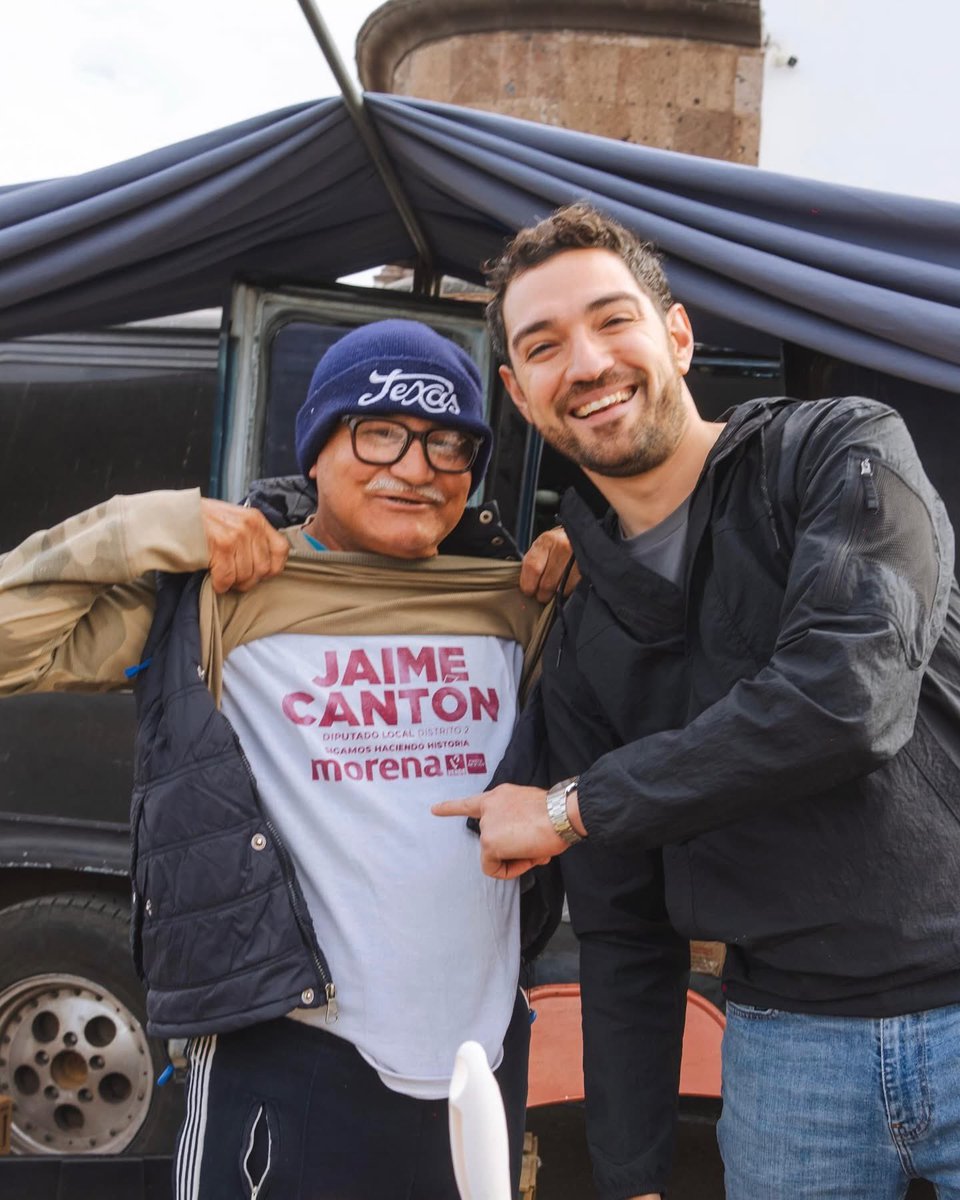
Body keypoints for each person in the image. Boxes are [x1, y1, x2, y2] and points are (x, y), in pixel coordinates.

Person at [434, 204, 960, 1200]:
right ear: (518, 391)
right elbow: (627, 926)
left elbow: (845, 698)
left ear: (676, 335)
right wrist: (629, 1175)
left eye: (612, 321)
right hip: (786, 1052)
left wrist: (567, 806)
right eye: (543, 346)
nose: (584, 362)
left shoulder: (838, 452)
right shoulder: (584, 630)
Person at [0, 319, 566, 1200]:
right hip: (291, 1059)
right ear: (317, 449)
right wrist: (152, 523)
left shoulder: (514, 605)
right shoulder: (218, 604)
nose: (416, 469)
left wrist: (603, 574)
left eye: (450, 444)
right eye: (379, 433)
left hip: (479, 1061)